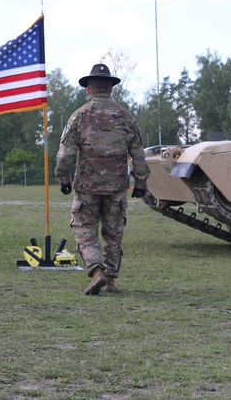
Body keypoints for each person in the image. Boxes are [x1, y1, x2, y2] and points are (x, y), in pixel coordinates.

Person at [55, 63, 151, 295]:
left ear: (89, 89)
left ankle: (96, 271)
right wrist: (140, 183)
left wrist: (63, 178)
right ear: (110, 88)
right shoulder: (126, 117)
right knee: (113, 233)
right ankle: (110, 280)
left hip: (87, 186)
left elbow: (66, 153)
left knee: (84, 228)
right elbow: (138, 153)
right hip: (117, 186)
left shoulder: (79, 116)